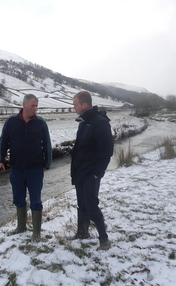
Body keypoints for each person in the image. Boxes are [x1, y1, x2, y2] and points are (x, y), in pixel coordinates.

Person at [0, 94, 52, 242]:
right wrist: (0, 161)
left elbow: (47, 145)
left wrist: (47, 163)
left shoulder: (41, 123)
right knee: (18, 199)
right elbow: (3, 142)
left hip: (35, 170)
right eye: (33, 105)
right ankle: (21, 227)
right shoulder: (11, 121)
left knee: (36, 201)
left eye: (37, 106)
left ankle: (36, 233)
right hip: (17, 169)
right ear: (24, 104)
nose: (35, 108)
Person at [69, 91, 114, 250]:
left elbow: (107, 151)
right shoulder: (84, 120)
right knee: (82, 204)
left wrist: (97, 172)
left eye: (75, 104)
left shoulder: (100, 122)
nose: (73, 107)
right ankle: (82, 232)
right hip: (80, 171)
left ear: (84, 105)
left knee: (92, 205)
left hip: (91, 173)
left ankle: (104, 240)